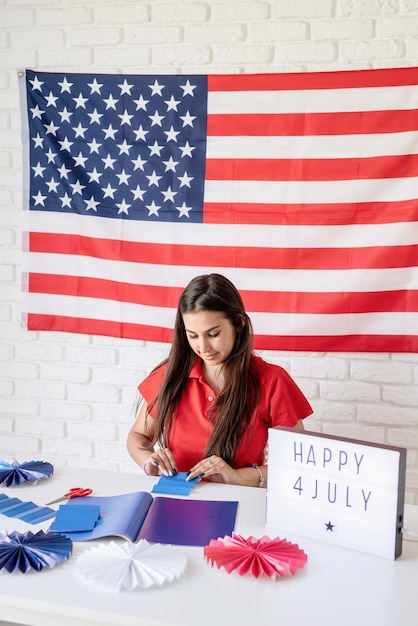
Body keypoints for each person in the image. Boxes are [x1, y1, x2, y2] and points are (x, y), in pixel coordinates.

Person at [127, 273, 312, 488]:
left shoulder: (273, 381)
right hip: (176, 497)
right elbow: (137, 436)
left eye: (213, 334)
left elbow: (296, 462)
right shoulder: (170, 376)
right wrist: (148, 462)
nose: (203, 348)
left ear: (239, 323)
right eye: (193, 336)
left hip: (239, 500)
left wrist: (237, 477)